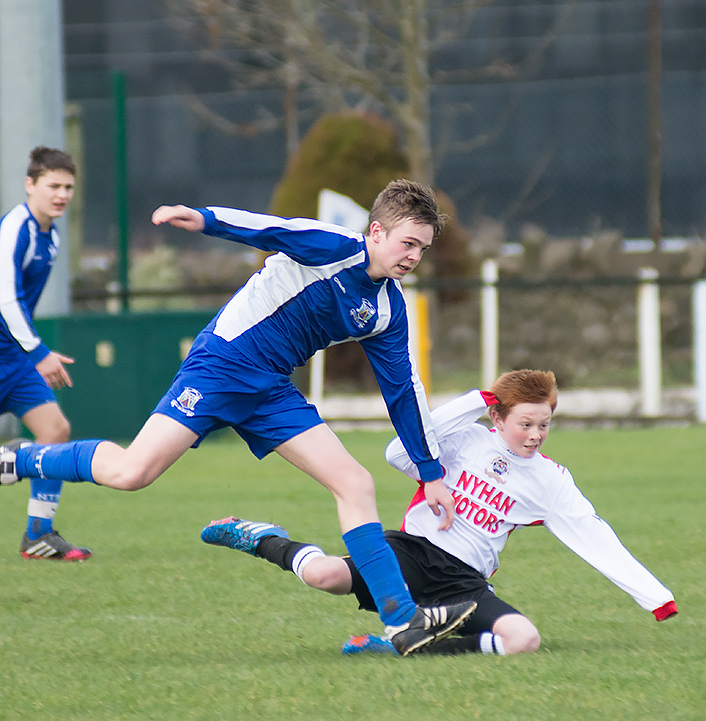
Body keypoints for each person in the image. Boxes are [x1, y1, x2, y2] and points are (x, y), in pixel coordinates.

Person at [0, 179, 476, 655]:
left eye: (422, 248)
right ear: (376, 231)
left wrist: (431, 472)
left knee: (355, 483)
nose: (413, 256)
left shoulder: (388, 308)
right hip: (223, 366)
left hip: (271, 388)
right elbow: (270, 228)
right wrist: (203, 218)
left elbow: (402, 390)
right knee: (131, 473)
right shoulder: (333, 247)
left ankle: (401, 619)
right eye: (407, 243)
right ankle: (19, 461)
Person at [200, 369, 678, 656]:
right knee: (324, 576)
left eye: (544, 424)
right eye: (525, 423)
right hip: (410, 552)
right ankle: (262, 537)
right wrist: (474, 400)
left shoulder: (550, 480)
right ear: (497, 417)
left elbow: (592, 534)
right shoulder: (465, 440)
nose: (535, 434)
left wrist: (654, 596)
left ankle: (398, 644)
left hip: (464, 581)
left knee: (524, 641)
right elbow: (397, 453)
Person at [0, 146, 91, 561]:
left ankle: (39, 535)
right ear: (30, 185)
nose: (62, 194)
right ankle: (9, 459)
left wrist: (30, 350)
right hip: (18, 352)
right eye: (53, 185)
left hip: (13, 357)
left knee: (54, 432)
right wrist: (38, 351)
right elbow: (5, 299)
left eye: (68, 187)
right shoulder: (16, 227)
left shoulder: (49, 235)